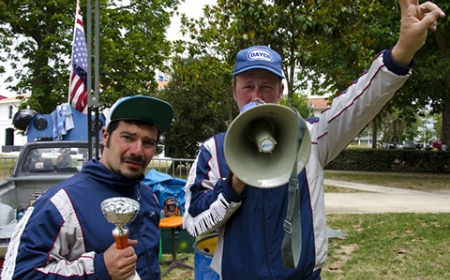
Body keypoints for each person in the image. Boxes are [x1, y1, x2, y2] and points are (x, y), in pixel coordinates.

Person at [183, 1, 445, 279]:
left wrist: (402, 50)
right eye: (248, 86)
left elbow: (358, 103)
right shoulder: (214, 150)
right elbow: (194, 223)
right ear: (234, 91)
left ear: (280, 91)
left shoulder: (311, 137)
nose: (256, 95)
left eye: (266, 86)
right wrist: (233, 186)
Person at [1, 95, 174, 279]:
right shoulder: (60, 204)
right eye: (127, 137)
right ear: (105, 136)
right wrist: (98, 269)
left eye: (148, 143)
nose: (138, 150)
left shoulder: (147, 196)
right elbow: (20, 274)